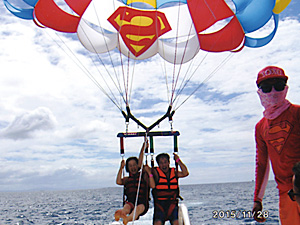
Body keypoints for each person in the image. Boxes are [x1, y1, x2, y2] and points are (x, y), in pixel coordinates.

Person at [252, 66, 300, 224]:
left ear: (285, 88)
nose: (273, 92)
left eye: (278, 86)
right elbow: (262, 164)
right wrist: (257, 200)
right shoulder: (260, 127)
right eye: (266, 88)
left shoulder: (298, 113)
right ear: (259, 91)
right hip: (287, 196)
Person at [114, 139, 155, 225]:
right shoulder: (127, 179)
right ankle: (122, 213)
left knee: (137, 209)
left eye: (134, 165)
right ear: (127, 168)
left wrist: (143, 147)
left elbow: (141, 161)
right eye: (130, 166)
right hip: (130, 202)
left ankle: (128, 219)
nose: (133, 167)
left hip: (142, 204)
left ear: (137, 166)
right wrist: (121, 168)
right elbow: (118, 181)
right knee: (127, 207)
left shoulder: (142, 176)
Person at [151, 153, 189, 225]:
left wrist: (178, 160)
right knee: (158, 223)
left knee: (176, 223)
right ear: (158, 165)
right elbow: (143, 168)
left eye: (165, 162)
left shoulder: (174, 173)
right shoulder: (155, 173)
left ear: (169, 162)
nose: (164, 165)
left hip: (172, 204)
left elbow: (185, 173)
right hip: (160, 205)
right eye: (161, 163)